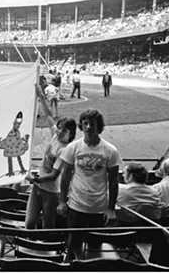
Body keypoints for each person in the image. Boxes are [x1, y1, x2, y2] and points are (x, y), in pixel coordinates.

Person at [57, 109, 122, 262]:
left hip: (98, 207)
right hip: (75, 205)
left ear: (98, 126)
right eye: (85, 124)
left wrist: (111, 208)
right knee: (73, 244)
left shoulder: (110, 151)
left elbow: (113, 181)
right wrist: (61, 201)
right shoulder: (73, 147)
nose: (88, 127)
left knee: (94, 245)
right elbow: (65, 175)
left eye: (91, 124)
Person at [25, 84, 77, 229]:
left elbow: (54, 175)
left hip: (50, 192)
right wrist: (41, 96)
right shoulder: (55, 137)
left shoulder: (65, 150)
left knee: (47, 226)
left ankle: (45, 250)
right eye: (59, 128)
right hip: (37, 187)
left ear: (71, 134)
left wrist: (34, 179)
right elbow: (48, 115)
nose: (59, 131)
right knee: (29, 223)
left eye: (64, 130)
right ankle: (31, 248)